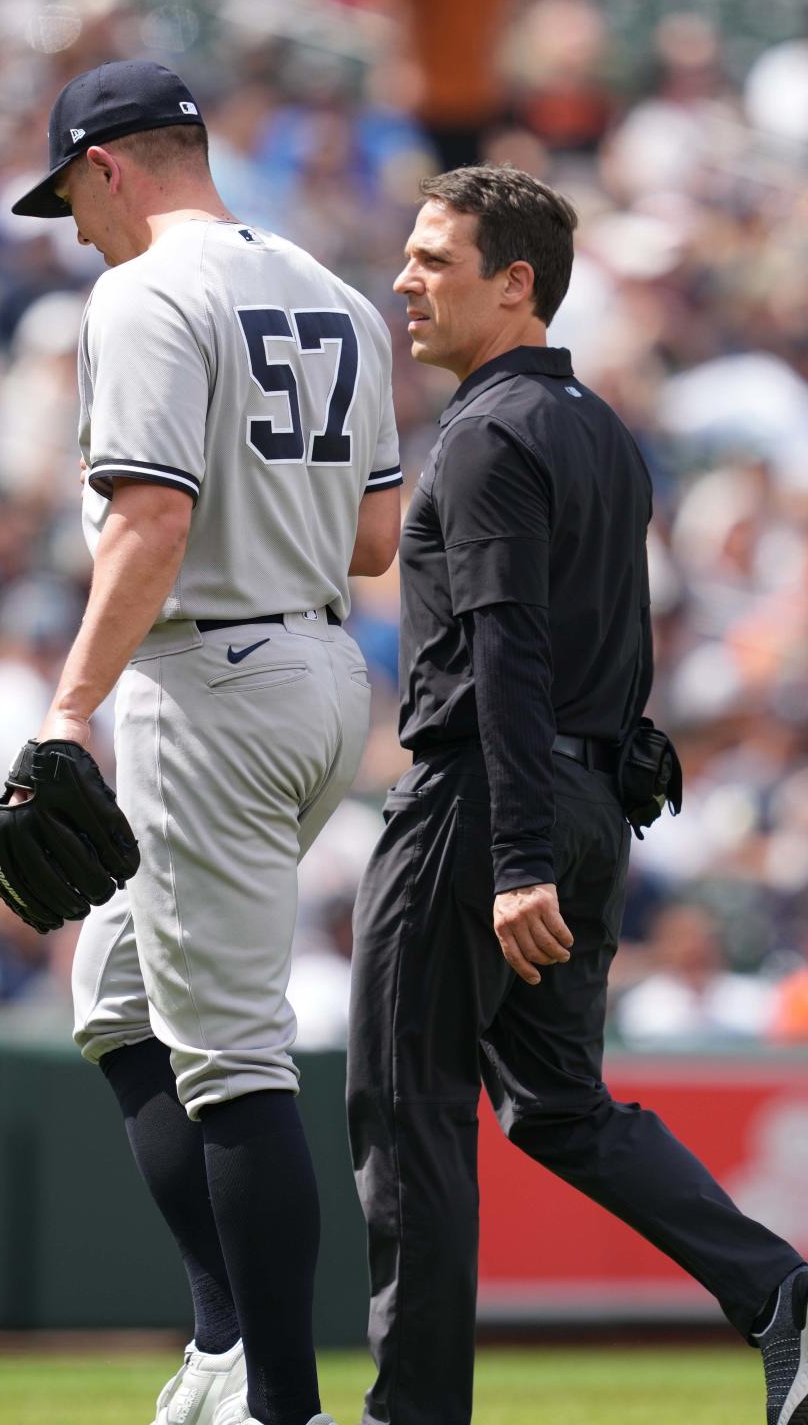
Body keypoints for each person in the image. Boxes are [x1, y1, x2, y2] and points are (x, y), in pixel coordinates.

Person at [344, 163, 808, 1425]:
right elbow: (616, 640)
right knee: (556, 1106)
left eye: (435, 261)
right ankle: (778, 1293)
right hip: (589, 793)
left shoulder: (487, 434)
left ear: (517, 283)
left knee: (409, 1105)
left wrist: (517, 857)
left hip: (489, 806)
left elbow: (509, 646)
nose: (405, 281)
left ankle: (414, 1415)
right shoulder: (601, 429)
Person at [10, 59, 401, 1425]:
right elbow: (373, 539)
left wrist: (67, 710)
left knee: (229, 1052)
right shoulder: (337, 291)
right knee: (117, 1003)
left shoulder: (141, 291)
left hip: (210, 676)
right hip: (318, 669)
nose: (76, 231)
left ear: (108, 163)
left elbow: (152, 522)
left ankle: (278, 1406)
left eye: (70, 199)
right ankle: (229, 1344)